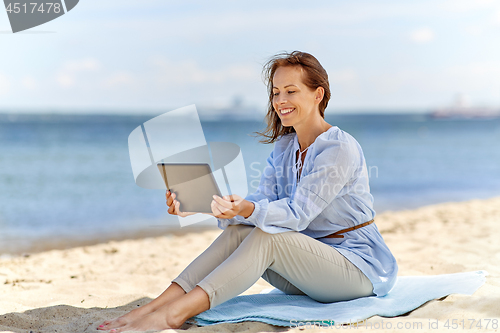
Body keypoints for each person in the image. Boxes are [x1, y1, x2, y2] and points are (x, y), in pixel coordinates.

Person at [97, 51, 398, 332]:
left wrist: (247, 209)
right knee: (240, 232)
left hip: (359, 270)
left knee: (266, 236)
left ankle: (174, 314)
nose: (281, 100)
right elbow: (259, 205)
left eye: (291, 91)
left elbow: (297, 214)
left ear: (318, 94)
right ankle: (153, 307)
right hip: (311, 268)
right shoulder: (285, 147)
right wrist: (204, 205)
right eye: (276, 92)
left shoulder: (337, 148)